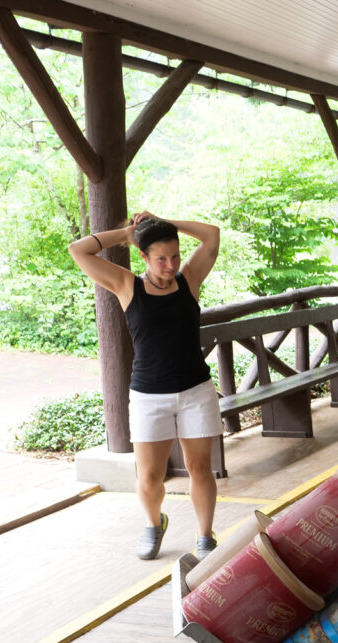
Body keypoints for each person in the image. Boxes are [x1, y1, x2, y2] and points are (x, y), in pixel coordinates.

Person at [68, 212, 222, 561]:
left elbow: (212, 235)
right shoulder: (126, 285)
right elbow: (77, 251)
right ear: (144, 257)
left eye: (175, 255)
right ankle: (154, 523)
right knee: (150, 478)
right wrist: (126, 233)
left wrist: (166, 222)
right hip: (149, 395)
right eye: (161, 259)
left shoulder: (189, 280)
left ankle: (205, 536)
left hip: (195, 390)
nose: (170, 265)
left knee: (200, 469)